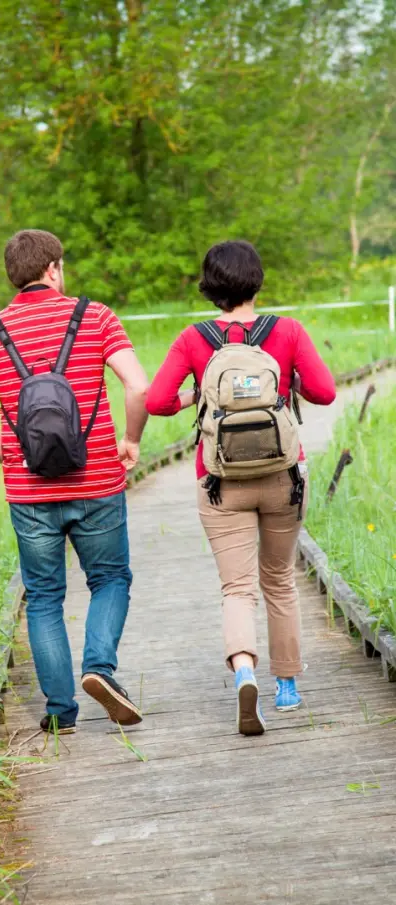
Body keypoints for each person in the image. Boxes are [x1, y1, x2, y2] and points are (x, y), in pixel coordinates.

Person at [0, 229, 149, 734]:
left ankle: (60, 712)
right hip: (98, 483)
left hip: (30, 493)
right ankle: (99, 668)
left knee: (43, 596)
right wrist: (130, 440)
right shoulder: (96, 316)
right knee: (110, 579)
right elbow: (138, 385)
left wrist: (18, 459)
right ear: (53, 269)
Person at [146, 240, 336, 735]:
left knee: (237, 587)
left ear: (210, 287)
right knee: (279, 580)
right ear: (257, 280)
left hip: (220, 483)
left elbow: (157, 400)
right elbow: (325, 391)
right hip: (282, 477)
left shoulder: (193, 338)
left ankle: (245, 669)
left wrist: (197, 396)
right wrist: (284, 382)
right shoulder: (288, 331)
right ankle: (289, 686)